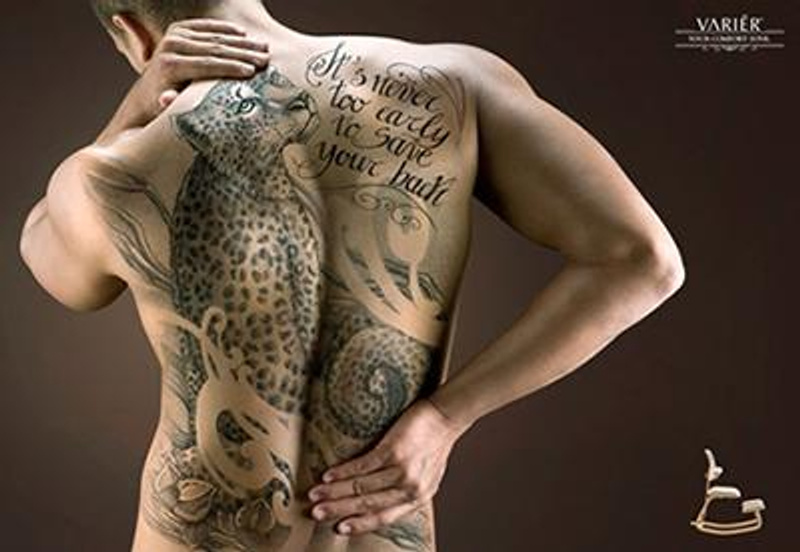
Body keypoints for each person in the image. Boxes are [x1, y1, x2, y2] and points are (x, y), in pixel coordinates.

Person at [17, 1, 686, 551]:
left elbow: (54, 266)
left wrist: (131, 111)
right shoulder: (453, 83)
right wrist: (443, 419)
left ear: (131, 33)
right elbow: (644, 261)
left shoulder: (108, 171)